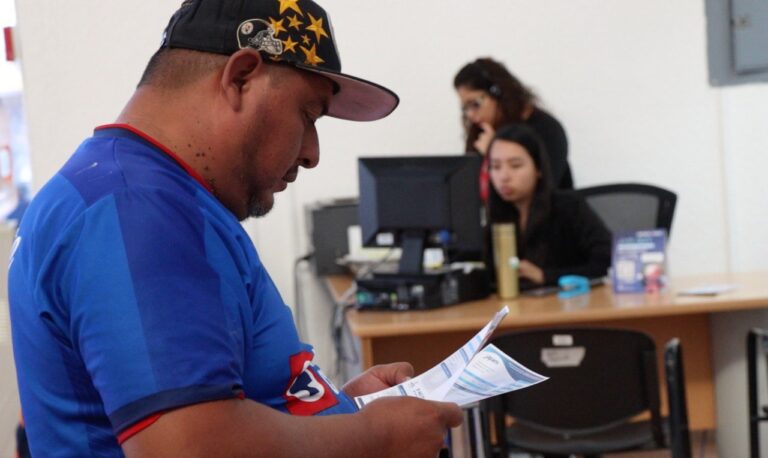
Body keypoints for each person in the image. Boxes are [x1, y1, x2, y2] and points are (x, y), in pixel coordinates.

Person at [8, 1, 462, 456]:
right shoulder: (137, 208)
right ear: (242, 76)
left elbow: (208, 405)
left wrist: (338, 407)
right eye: (308, 115)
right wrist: (373, 438)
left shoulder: (131, 189)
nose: (312, 153)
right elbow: (189, 447)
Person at [486, 124, 610, 290]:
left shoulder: (569, 206)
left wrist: (545, 276)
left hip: (571, 305)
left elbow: (608, 260)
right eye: (495, 167)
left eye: (515, 166)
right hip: (516, 310)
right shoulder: (493, 217)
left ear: (538, 169)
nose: (504, 176)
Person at [453, 57, 574, 203]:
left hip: (545, 222)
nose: (470, 114)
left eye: (475, 104)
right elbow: (468, 192)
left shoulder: (546, 129)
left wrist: (495, 153)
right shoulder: (481, 132)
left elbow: (538, 195)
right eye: (465, 107)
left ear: (497, 92)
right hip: (496, 223)